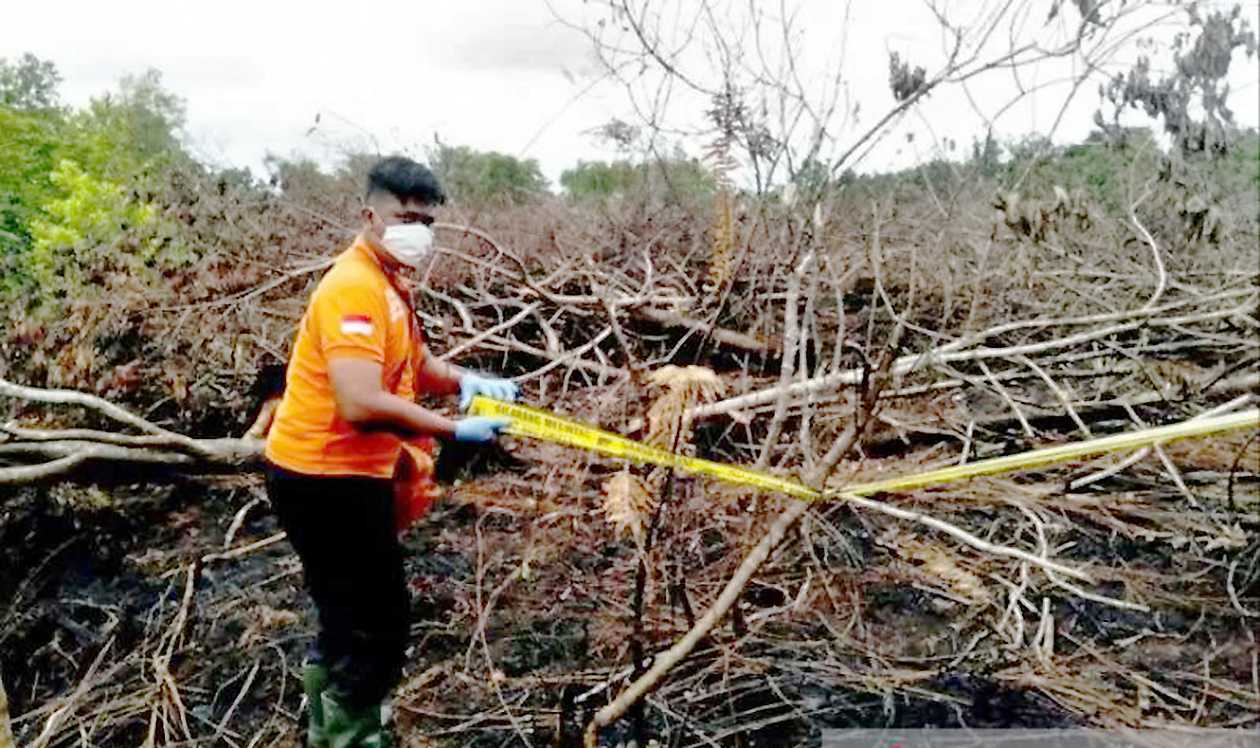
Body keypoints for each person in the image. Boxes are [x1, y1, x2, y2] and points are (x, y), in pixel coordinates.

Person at [263, 155, 516, 747]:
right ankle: (351, 737)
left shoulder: (387, 281)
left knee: (346, 616)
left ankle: (332, 731)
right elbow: (359, 400)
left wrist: (463, 382)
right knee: (380, 626)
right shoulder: (353, 287)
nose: (418, 231)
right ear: (369, 215)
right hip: (323, 480)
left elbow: (411, 363)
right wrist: (452, 431)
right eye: (406, 217)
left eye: (427, 221)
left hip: (346, 475)